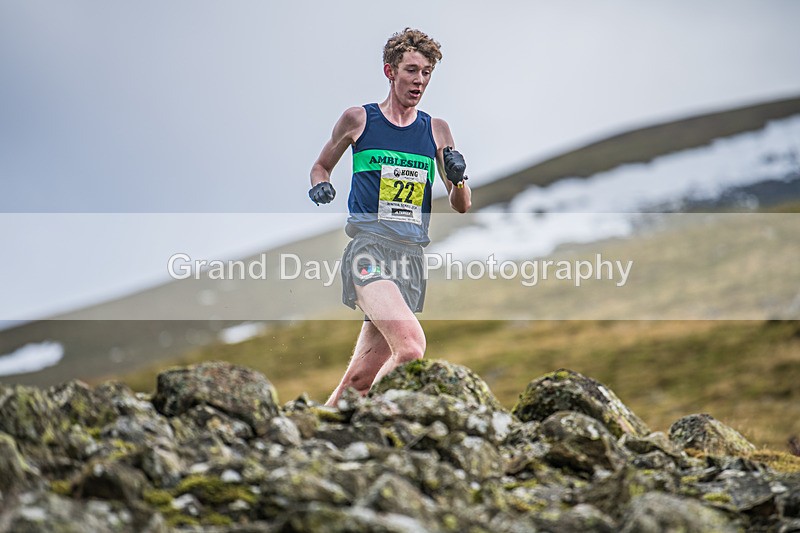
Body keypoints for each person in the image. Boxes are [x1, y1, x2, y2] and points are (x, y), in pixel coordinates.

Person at [308, 28, 472, 407]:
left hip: (410, 260)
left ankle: (318, 427)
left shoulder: (436, 130)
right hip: (369, 251)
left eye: (427, 73)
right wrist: (321, 185)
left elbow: (461, 204)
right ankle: (372, 418)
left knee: (361, 381)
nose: (419, 81)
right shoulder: (358, 120)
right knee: (411, 348)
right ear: (390, 71)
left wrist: (459, 176)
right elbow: (321, 166)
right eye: (412, 70)